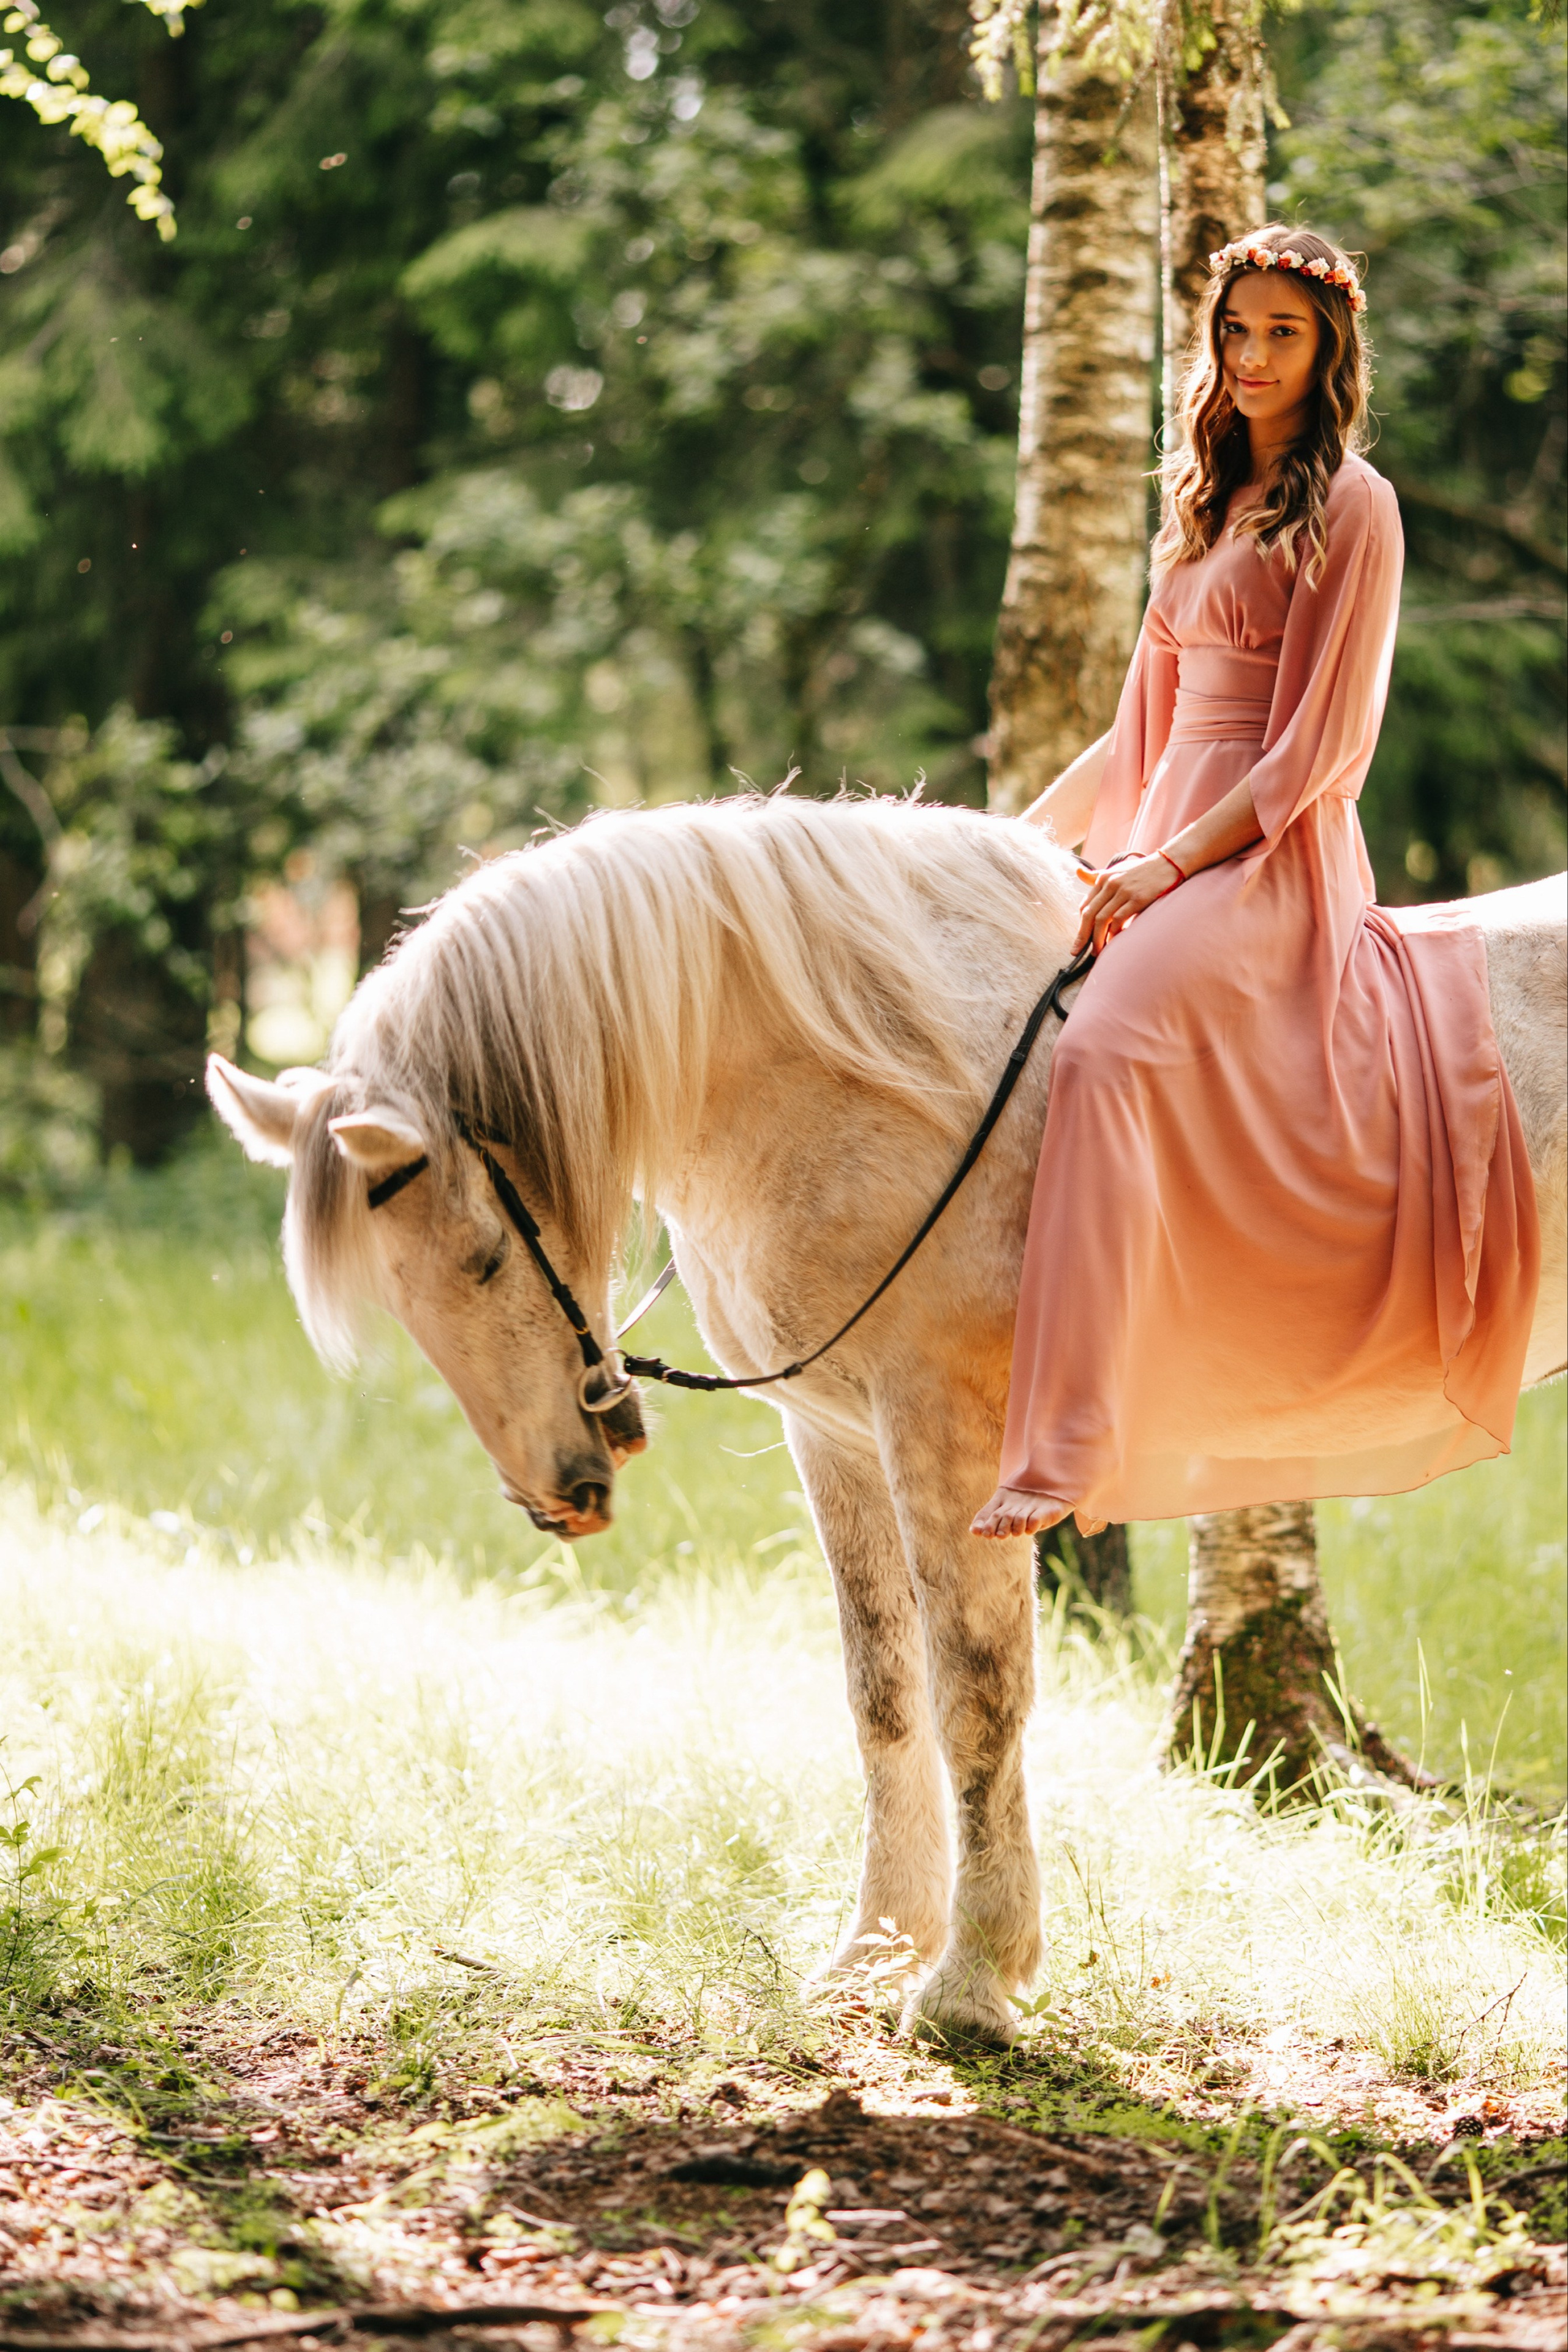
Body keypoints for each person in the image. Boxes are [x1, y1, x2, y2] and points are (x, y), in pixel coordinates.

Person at [973, 224, 1539, 1541]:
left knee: (1105, 1049)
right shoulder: (1200, 505)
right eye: (1234, 332)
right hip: (1157, 832)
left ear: (1325, 347)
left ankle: (1067, 1443)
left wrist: (1164, 865)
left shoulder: (1356, 506)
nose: (1252, 356)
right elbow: (1134, 740)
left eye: (1281, 334)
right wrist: (995, 845)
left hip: (1265, 861)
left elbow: (1315, 756)